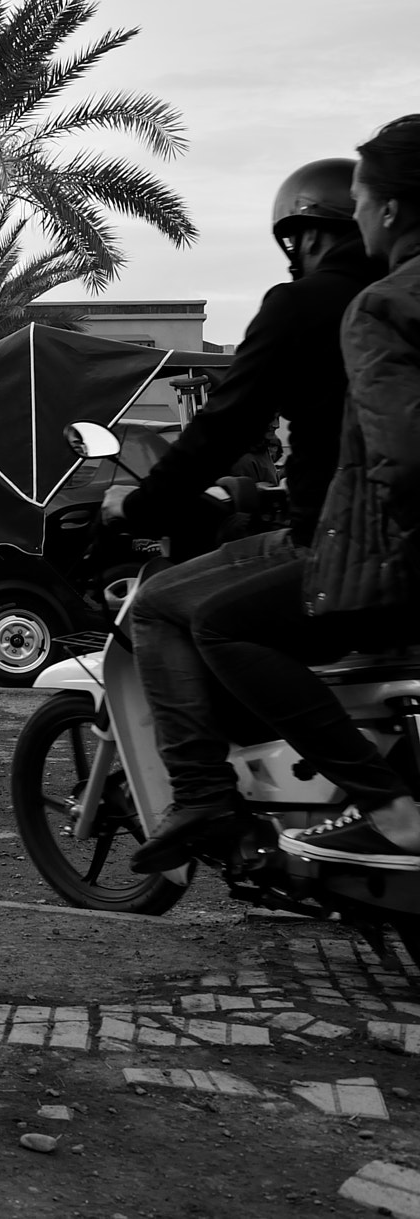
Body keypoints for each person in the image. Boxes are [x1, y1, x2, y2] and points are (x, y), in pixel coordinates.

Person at [120, 158, 386, 872]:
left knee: (171, 609)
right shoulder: (394, 297)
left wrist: (139, 506)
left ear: (301, 235)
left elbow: (223, 428)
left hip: (342, 548)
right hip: (363, 533)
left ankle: (209, 793)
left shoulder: (306, 306)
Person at [177, 117, 420, 869]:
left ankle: (383, 803)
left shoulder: (380, 307)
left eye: (365, 197)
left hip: (384, 559)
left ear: (387, 210)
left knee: (218, 626)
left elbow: (404, 460)